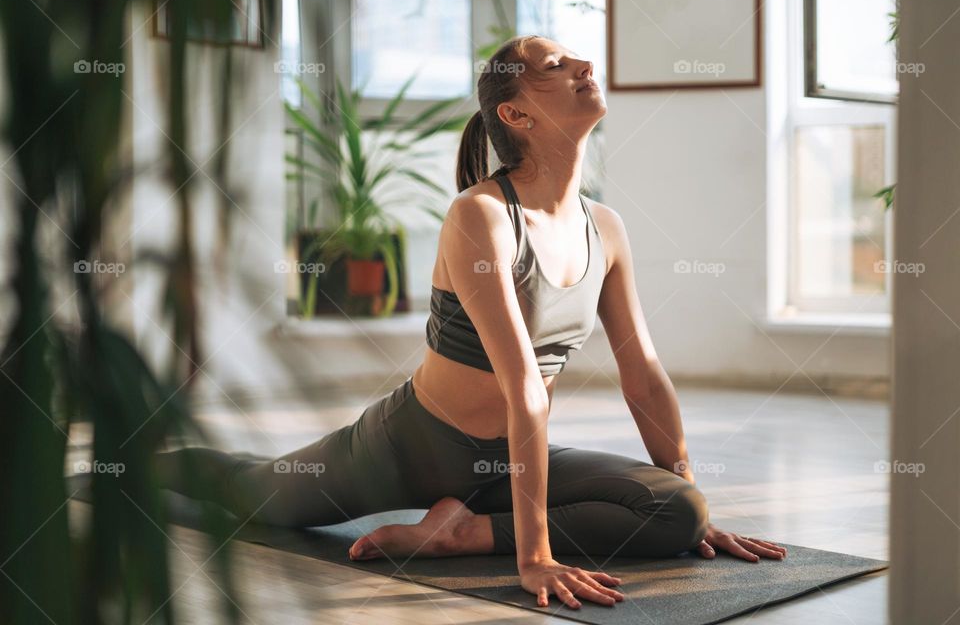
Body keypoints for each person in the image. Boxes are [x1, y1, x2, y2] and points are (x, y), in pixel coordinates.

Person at [155, 35, 786, 611]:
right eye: (555, 66)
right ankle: (127, 461)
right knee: (254, 496)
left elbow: (643, 376)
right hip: (410, 445)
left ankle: (463, 530)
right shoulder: (480, 215)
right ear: (514, 114)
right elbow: (523, 387)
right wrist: (533, 556)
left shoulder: (606, 228)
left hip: (512, 456)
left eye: (572, 58)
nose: (583, 66)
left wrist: (696, 511)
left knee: (677, 510)